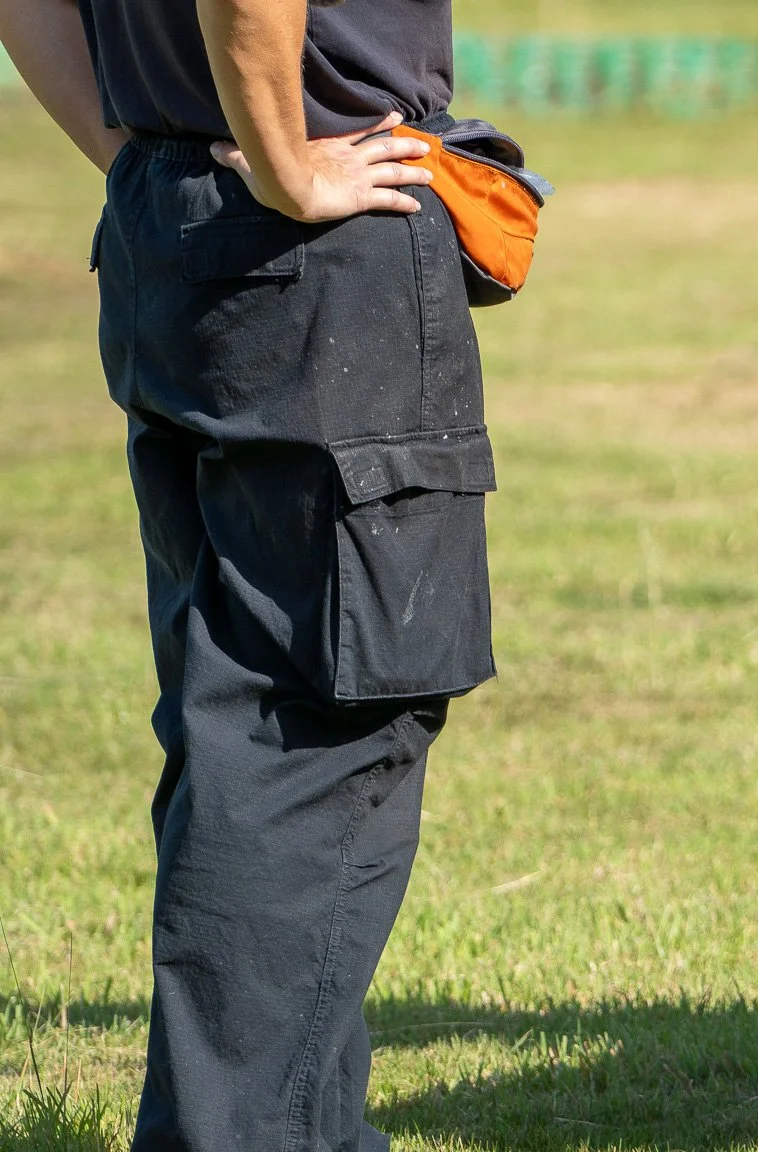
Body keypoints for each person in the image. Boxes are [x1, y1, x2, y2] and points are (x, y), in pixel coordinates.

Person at [0, 1, 496, 1148]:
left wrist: (140, 155)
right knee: (311, 734)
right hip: (302, 240)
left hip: (172, 211)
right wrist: (283, 167)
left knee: (237, 719)